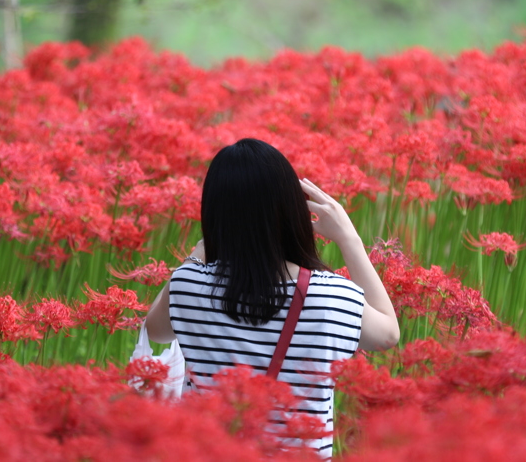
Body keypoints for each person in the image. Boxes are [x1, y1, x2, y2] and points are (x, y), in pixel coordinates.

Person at [145, 138, 399, 459]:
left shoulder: (189, 284)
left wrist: (197, 255)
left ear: (213, 214)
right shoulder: (333, 294)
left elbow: (156, 330)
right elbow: (388, 334)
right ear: (292, 211)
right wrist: (350, 238)